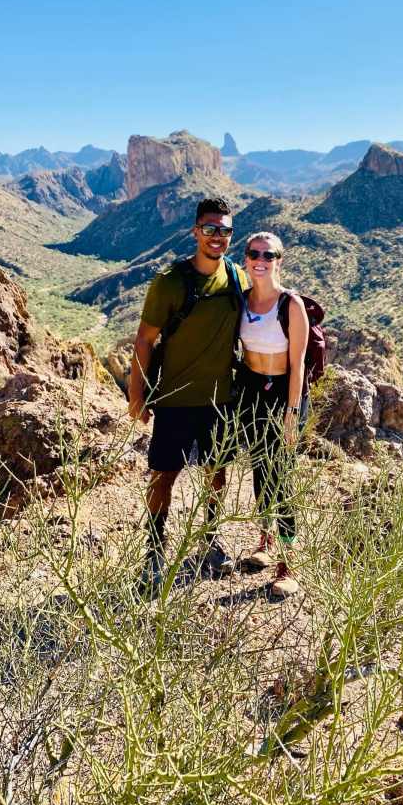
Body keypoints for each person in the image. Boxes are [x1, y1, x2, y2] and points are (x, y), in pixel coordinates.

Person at [128, 197, 248, 595]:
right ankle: (153, 552)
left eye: (225, 230)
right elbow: (145, 340)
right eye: (210, 229)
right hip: (175, 399)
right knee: (164, 475)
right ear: (196, 232)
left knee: (217, 472)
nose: (218, 236)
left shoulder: (237, 279)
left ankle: (209, 540)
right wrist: (137, 394)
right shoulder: (171, 282)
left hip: (220, 400)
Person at [235, 231, 309, 598]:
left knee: (282, 475)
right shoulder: (243, 301)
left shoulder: (290, 305)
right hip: (252, 391)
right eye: (253, 253)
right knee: (260, 468)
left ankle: (289, 563)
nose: (260, 259)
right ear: (246, 258)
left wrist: (292, 413)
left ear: (280, 260)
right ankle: (265, 542)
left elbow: (297, 366)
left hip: (283, 394)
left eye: (268, 254)